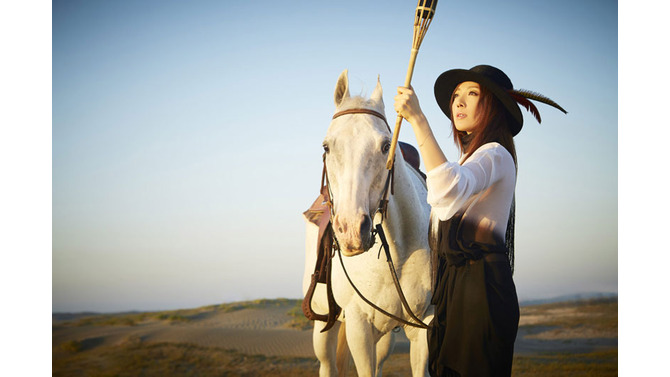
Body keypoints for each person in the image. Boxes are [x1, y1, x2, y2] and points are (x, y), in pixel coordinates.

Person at [394, 65, 566, 376]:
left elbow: (447, 188)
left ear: (495, 107)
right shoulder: (469, 161)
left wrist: (418, 121)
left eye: (472, 94)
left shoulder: (496, 154)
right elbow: (443, 207)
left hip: (481, 290)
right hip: (455, 289)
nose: (458, 102)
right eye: (456, 96)